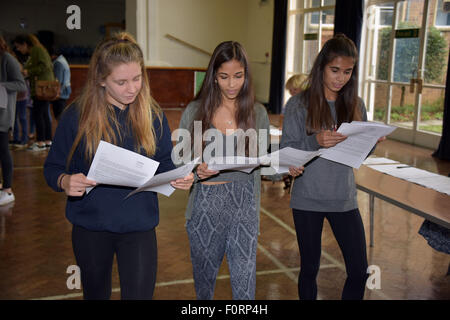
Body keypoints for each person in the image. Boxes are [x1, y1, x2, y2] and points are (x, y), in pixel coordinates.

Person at [43, 32, 194, 300]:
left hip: (139, 225)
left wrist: (178, 177)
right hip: (91, 227)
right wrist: (65, 181)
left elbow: (165, 162)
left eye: (137, 79)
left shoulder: (153, 115)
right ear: (101, 80)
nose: (132, 88)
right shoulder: (76, 116)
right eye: (121, 82)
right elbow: (52, 168)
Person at [176, 41, 282, 300]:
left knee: (245, 287)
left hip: (245, 207)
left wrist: (289, 165)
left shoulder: (257, 113)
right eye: (224, 77)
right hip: (205, 208)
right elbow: (180, 165)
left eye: (238, 76)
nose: (232, 84)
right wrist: (196, 171)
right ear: (213, 76)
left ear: (246, 76)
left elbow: (268, 164)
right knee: (204, 286)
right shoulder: (194, 111)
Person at [280, 34, 382, 300]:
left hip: (343, 198)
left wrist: (372, 141)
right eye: (335, 70)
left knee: (359, 271)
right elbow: (286, 154)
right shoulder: (298, 104)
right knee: (309, 270)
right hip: (308, 200)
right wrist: (315, 141)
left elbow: (359, 155)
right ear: (321, 67)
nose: (340, 78)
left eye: (347, 72)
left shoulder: (356, 104)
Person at [13, 34, 54, 151]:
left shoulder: (36, 50)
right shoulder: (39, 50)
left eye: (19, 47)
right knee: (44, 114)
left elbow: (44, 66)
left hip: (41, 88)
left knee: (38, 115)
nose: (18, 50)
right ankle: (47, 141)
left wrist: (28, 71)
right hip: (43, 88)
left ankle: (40, 142)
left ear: (25, 44)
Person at [0, 36, 26, 206]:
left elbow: (20, 85)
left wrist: (2, 84)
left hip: (3, 115)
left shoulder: (8, 60)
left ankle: (8, 189)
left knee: (3, 151)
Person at [51, 50, 71, 120]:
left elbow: (58, 80)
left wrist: (56, 93)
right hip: (65, 90)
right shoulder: (62, 60)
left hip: (60, 93)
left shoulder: (58, 63)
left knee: (59, 115)